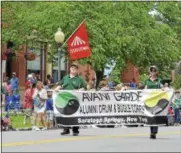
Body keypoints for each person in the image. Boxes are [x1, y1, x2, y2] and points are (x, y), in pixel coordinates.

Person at [55, 62, 87, 136]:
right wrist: (58, 87)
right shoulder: (65, 77)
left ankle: (75, 130)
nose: (73, 69)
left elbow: (85, 87)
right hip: (65, 99)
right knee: (65, 114)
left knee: (75, 114)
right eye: (72, 67)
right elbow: (60, 84)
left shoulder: (80, 79)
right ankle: (66, 129)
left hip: (75, 99)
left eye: (75, 68)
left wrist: (81, 90)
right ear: (70, 69)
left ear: (77, 70)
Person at [143, 65, 163, 139]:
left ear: (156, 72)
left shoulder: (159, 80)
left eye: (154, 71)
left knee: (155, 115)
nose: (153, 72)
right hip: (149, 100)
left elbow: (162, 88)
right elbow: (143, 89)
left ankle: (154, 131)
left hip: (157, 101)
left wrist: (166, 89)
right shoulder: (147, 81)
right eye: (151, 70)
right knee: (150, 116)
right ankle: (152, 131)